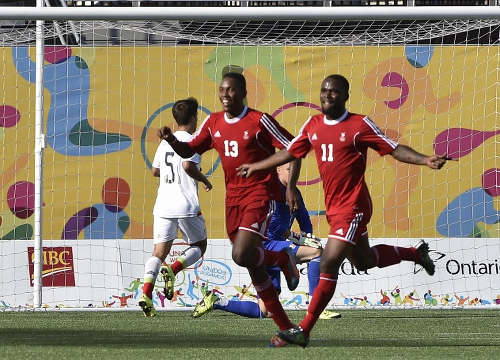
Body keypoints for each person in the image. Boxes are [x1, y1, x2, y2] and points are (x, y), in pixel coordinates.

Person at [237, 74, 451, 347]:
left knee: (327, 261)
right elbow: (290, 152)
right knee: (364, 261)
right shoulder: (313, 125)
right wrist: (258, 166)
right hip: (335, 210)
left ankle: (303, 329)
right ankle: (415, 253)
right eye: (324, 90)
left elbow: (393, 149)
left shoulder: (359, 125)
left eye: (334, 92)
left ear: (346, 96)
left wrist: (424, 159)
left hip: (355, 207)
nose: (327, 95)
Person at [157, 72, 302, 333]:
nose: (224, 95)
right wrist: (171, 140)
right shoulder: (213, 123)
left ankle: (282, 257)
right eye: (222, 90)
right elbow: (190, 151)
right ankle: (286, 327)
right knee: (252, 265)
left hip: (259, 195)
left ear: (243, 92)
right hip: (232, 199)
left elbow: (294, 148)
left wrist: (290, 187)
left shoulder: (259, 121)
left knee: (241, 254)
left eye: (230, 90)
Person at [191, 162, 340, 320]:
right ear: (278, 169)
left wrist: (306, 238)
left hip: (277, 247)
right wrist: (293, 237)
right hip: (264, 246)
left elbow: (305, 223)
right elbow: (272, 228)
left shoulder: (294, 193)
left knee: (266, 311)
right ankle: (316, 307)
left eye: (295, 171)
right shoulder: (270, 190)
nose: (292, 174)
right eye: (289, 170)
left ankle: (216, 301)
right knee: (317, 253)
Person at [139, 97, 212, 317]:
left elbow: (154, 171)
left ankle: (146, 294)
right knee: (200, 244)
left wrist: (172, 175)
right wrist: (205, 180)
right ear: (193, 118)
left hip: (163, 204)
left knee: (159, 252)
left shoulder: (165, 142)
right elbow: (188, 165)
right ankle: (173, 270)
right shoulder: (192, 140)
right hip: (186, 204)